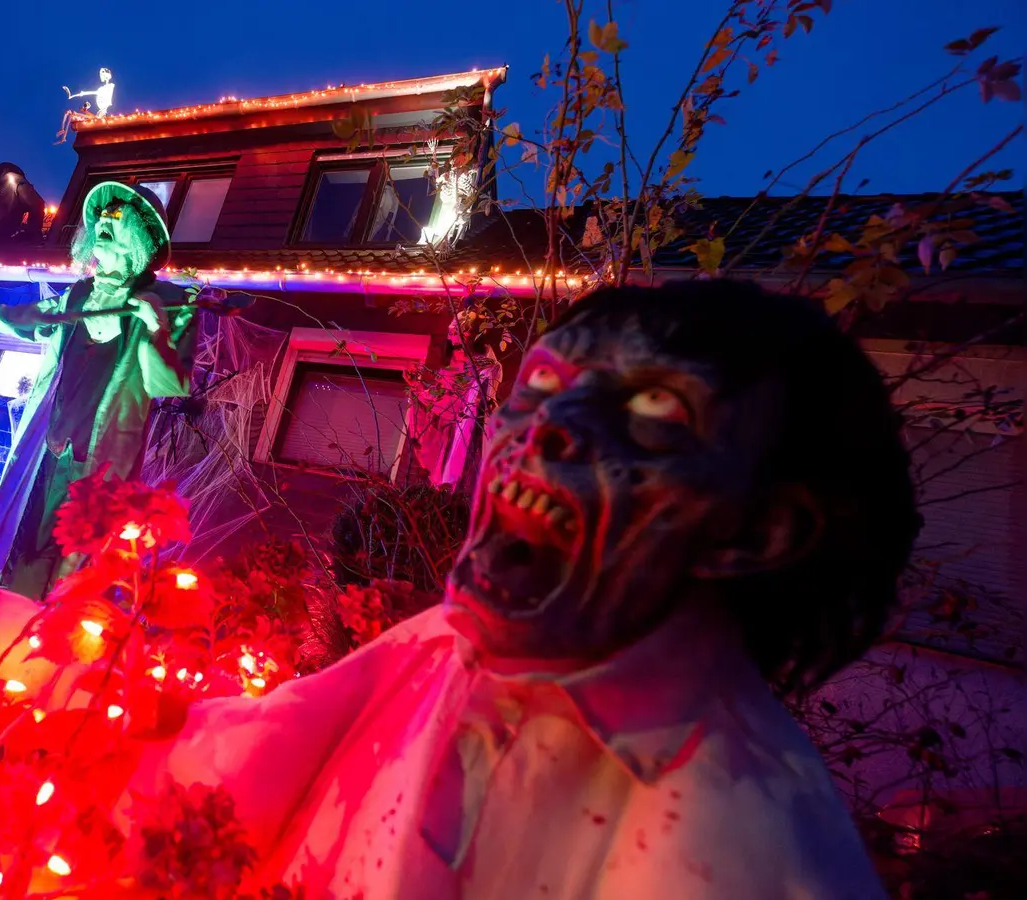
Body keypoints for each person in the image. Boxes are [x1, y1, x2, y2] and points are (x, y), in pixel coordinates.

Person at [121, 280, 918, 899]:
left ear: (759, 531)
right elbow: (255, 748)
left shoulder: (746, 846)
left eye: (651, 408)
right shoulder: (450, 644)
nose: (543, 425)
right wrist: (115, 714)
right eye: (539, 385)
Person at [0, 181, 198, 599]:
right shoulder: (78, 296)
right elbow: (4, 317)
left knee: (77, 570)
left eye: (116, 216)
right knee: (22, 550)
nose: (102, 221)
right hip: (47, 451)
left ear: (141, 233)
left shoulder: (173, 300)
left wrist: (156, 328)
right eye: (99, 216)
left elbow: (167, 384)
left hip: (101, 464)